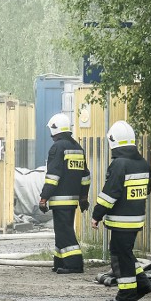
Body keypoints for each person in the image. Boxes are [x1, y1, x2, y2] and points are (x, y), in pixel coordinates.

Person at [91, 120, 151, 301]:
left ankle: (126, 296)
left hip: (121, 221)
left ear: (113, 142)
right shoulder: (143, 163)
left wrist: (97, 214)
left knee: (120, 255)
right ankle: (142, 284)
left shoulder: (119, 164)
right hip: (136, 219)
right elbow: (147, 190)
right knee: (125, 253)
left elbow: (110, 194)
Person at [39, 113, 91, 274]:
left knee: (65, 231)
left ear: (55, 129)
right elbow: (85, 175)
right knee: (62, 230)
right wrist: (83, 197)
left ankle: (74, 264)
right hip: (73, 199)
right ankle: (60, 261)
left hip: (60, 199)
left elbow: (53, 175)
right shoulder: (77, 148)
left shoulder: (57, 147)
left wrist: (44, 197)